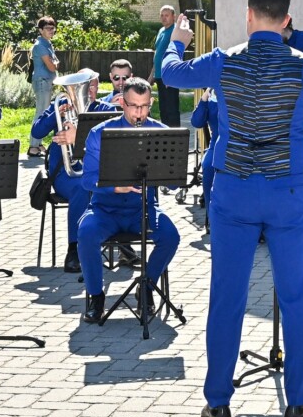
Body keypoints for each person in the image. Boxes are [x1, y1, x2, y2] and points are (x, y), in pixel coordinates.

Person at [160, 0, 303, 417]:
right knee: (295, 298)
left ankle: (218, 403)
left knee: (226, 298)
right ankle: (298, 404)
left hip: (233, 191)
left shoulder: (224, 59)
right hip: (287, 193)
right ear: (287, 21)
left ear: (248, 16)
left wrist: (178, 39)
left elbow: (170, 73)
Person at [75, 78, 182, 323]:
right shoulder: (99, 133)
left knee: (170, 236)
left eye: (144, 106)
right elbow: (87, 181)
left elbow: (175, 184)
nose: (139, 112)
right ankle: (96, 296)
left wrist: (168, 174)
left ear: (151, 103)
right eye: (134, 106)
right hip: (104, 210)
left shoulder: (161, 132)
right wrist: (115, 187)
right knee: (86, 233)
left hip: (143, 209)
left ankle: (146, 287)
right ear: (123, 103)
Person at [29, 86, 97, 274]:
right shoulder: (60, 105)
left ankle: (122, 245)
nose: (88, 91)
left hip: (96, 173)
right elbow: (37, 132)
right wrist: (56, 114)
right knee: (81, 188)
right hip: (66, 175)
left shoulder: (102, 109)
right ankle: (74, 249)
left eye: (91, 86)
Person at [29, 17, 60, 158]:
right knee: (40, 113)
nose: (51, 31)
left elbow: (54, 63)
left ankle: (39, 143)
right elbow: (52, 66)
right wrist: (55, 64)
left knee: (43, 112)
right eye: (48, 28)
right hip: (42, 82)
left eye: (53, 28)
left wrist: (55, 63)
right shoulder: (40, 46)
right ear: (40, 30)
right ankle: (33, 146)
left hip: (46, 81)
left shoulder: (47, 44)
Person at [190, 89, 219, 210]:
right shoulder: (212, 96)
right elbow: (196, 122)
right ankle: (211, 214)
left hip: (239, 144)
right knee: (207, 164)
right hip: (216, 145)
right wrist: (204, 98)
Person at [153, 6, 181, 126]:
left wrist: (172, 75)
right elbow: (157, 54)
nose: (164, 18)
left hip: (170, 76)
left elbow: (178, 53)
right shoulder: (161, 31)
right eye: (162, 15)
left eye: (167, 15)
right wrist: (152, 76)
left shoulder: (175, 31)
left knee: (171, 109)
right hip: (159, 76)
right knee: (163, 108)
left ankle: (175, 134)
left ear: (174, 16)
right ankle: (165, 133)